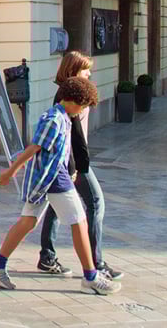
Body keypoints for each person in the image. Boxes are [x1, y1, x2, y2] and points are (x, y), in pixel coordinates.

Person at [0, 77, 120, 296]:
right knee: (80, 222)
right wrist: (10, 172)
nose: (82, 110)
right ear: (74, 101)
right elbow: (33, 148)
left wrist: (71, 170)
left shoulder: (63, 117)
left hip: (47, 179)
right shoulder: (54, 119)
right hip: (53, 180)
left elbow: (60, 151)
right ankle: (91, 277)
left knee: (28, 221)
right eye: (83, 106)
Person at [36, 51, 122, 281]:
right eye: (86, 69)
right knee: (95, 203)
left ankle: (47, 257)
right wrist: (76, 167)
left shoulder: (75, 91)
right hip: (72, 162)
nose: (90, 73)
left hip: (70, 161)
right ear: (73, 70)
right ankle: (96, 263)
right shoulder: (67, 95)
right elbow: (68, 136)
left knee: (55, 207)